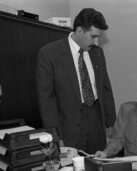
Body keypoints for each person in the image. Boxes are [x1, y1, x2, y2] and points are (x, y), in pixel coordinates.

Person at [36, 8, 116, 154]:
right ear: (79, 31)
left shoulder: (97, 52)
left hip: (96, 122)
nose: (97, 42)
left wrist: (111, 124)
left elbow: (105, 87)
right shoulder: (49, 54)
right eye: (93, 37)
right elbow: (46, 100)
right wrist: (55, 136)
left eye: (99, 37)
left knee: (96, 164)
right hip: (68, 126)